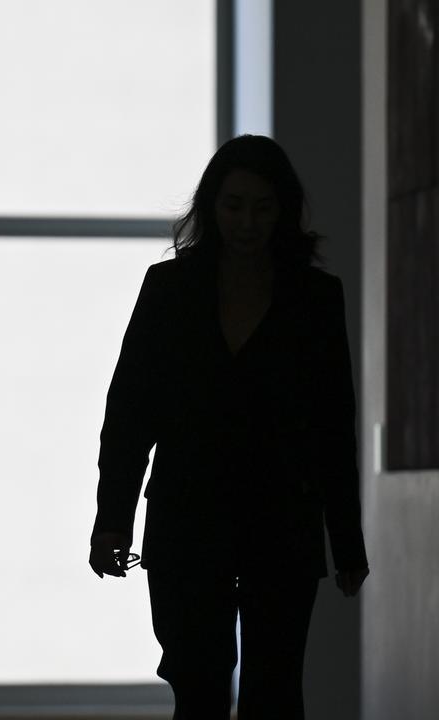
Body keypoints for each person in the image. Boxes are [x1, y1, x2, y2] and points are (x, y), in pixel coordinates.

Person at [89, 134, 369, 719]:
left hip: (282, 523)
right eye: (235, 204)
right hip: (188, 521)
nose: (247, 221)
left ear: (283, 211)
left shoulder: (315, 298)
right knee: (197, 685)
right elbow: (130, 414)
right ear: (212, 207)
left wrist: (346, 537)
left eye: (262, 207)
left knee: (274, 690)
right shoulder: (169, 290)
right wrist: (111, 518)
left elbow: (332, 422)